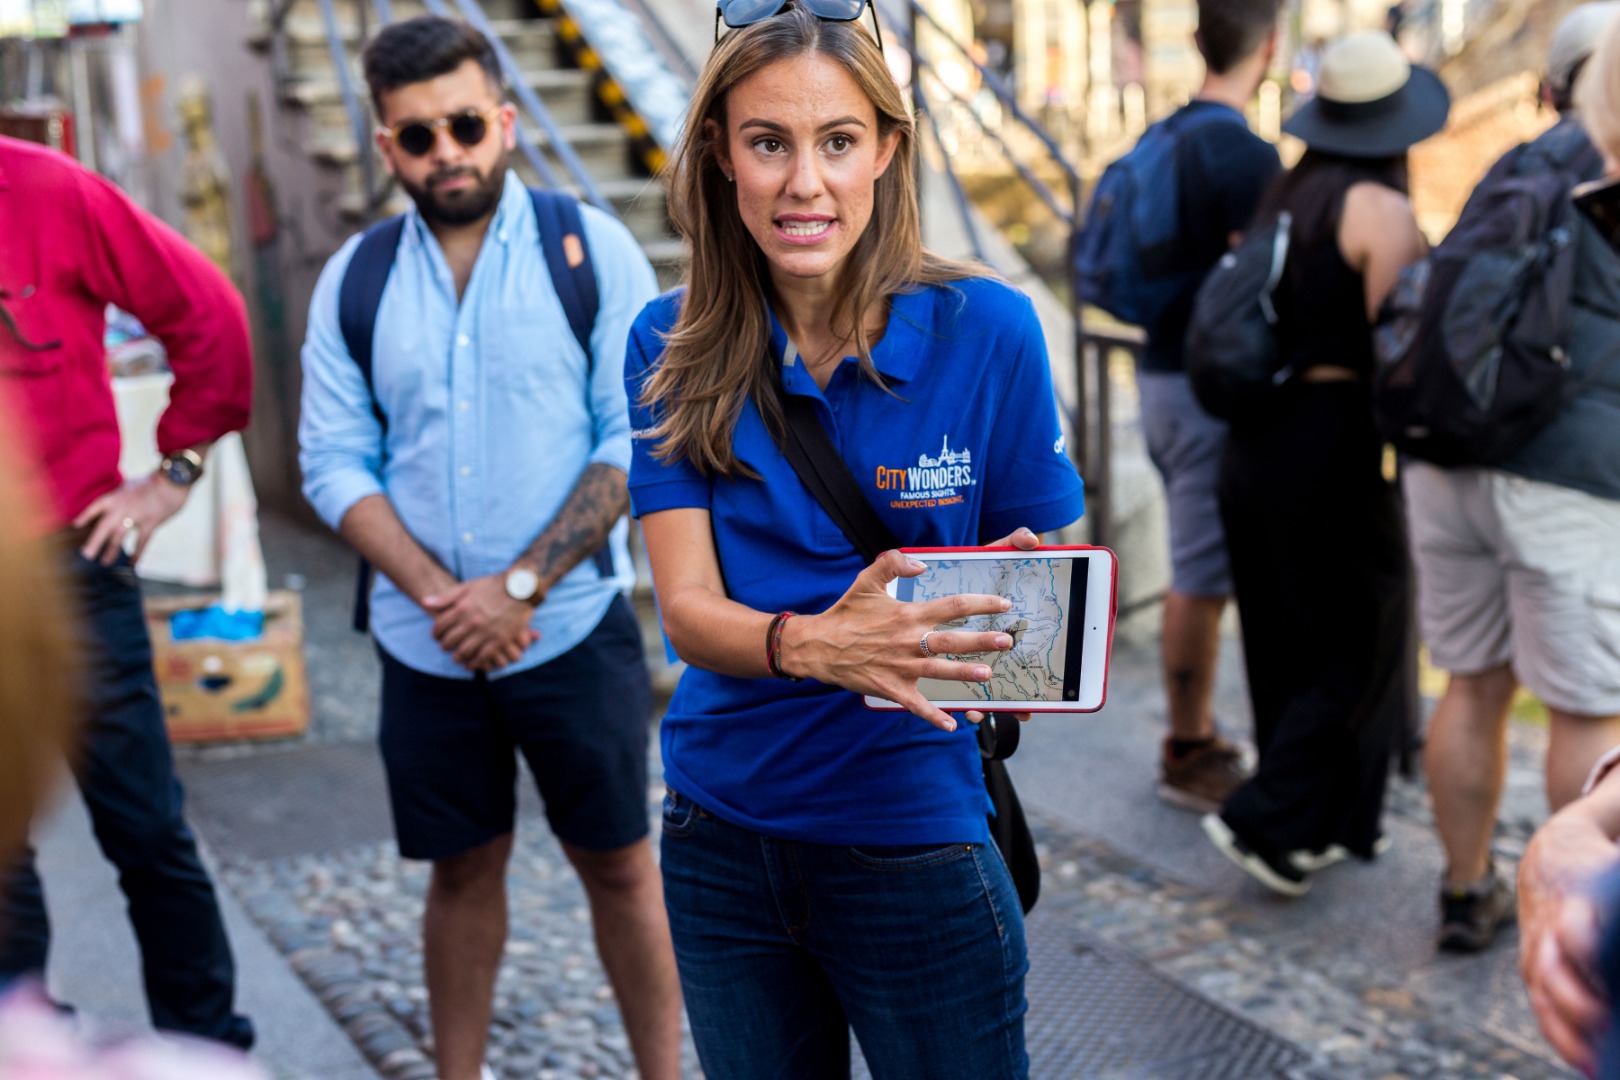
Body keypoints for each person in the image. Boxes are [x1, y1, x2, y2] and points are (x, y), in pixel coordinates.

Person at [625, 4, 1086, 1075]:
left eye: (836, 142)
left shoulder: (991, 330)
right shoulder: (667, 340)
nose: (804, 184)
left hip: (915, 831)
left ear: (885, 149)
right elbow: (688, 612)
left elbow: (1035, 599)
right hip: (720, 836)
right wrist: (813, 644)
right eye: (767, 143)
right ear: (719, 154)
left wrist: (1006, 636)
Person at [296, 16, 679, 1080]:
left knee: (620, 868)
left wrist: (517, 587)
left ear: (505, 122)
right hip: (427, 648)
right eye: (417, 136)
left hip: (569, 629)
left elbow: (632, 437)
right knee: (460, 873)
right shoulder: (354, 281)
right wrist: (440, 597)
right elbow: (332, 457)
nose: (446, 151)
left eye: (465, 124)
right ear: (385, 148)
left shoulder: (588, 249)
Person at [0, 134, 255, 1050]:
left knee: (144, 829)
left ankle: (209, 1050)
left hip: (68, 567)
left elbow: (207, 315)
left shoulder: (44, 188)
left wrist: (171, 471)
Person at [1200, 31, 1446, 897]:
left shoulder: (1287, 192)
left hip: (1256, 436)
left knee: (1284, 632)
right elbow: (1403, 354)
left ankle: (1318, 824)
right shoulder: (1380, 209)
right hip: (1328, 437)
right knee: (1368, 627)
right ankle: (1266, 818)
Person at [1405, 0, 1620, 955]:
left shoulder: (1520, 160)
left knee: (1473, 682)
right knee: (1587, 709)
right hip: (1562, 480)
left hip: (1447, 459)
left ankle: (1465, 889)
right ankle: (1589, 941)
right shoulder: (1605, 171)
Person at [1138, 0, 1284, 815]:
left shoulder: (1165, 133)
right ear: (1270, 44)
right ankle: (1187, 747)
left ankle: (1194, 733)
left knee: (1197, 564)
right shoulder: (1244, 154)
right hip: (1205, 390)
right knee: (1199, 574)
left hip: (1156, 374)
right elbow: (1263, 283)